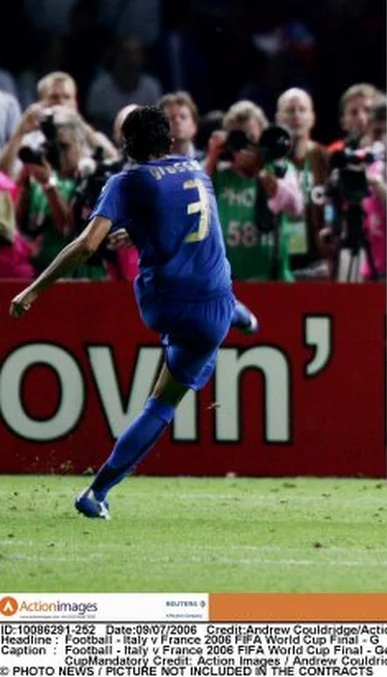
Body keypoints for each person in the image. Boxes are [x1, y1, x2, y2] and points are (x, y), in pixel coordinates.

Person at [8, 105, 259, 519]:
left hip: (161, 304)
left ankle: (97, 493)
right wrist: (142, 229)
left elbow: (88, 245)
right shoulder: (197, 170)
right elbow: (192, 223)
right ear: (171, 142)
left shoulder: (126, 181)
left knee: (176, 364)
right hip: (210, 302)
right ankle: (97, 492)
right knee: (163, 404)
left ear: (126, 145)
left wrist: (35, 290)